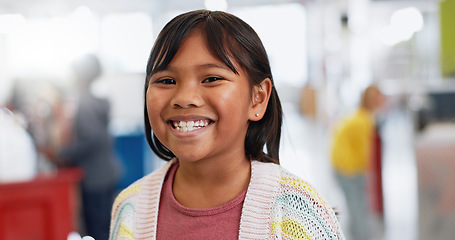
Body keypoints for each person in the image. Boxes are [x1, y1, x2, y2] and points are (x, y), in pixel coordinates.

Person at [110, 10, 344, 240]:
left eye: (211, 79)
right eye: (166, 81)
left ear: (258, 98)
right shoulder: (130, 208)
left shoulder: (300, 215)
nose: (184, 98)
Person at [42, 54, 121, 240]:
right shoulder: (97, 100)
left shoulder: (85, 103)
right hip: (105, 172)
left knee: (97, 228)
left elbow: (90, 139)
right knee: (104, 224)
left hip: (94, 177)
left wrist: (62, 153)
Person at [330, 85, 384, 240]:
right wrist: (366, 174)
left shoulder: (359, 115)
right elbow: (363, 152)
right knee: (358, 206)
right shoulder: (364, 121)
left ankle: (354, 234)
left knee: (355, 203)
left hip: (341, 164)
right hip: (348, 168)